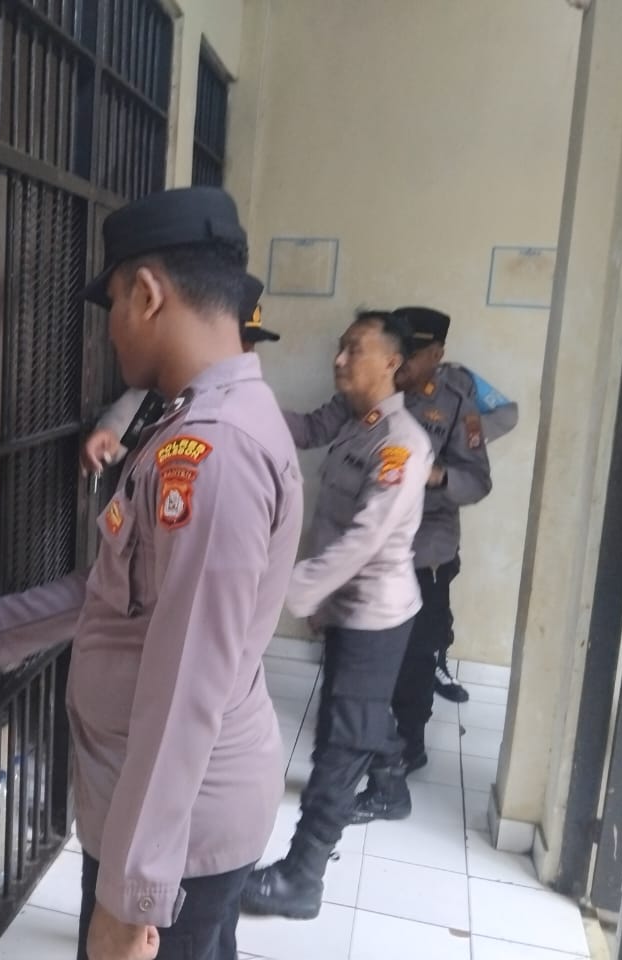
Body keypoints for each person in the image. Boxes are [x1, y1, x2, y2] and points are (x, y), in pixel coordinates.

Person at [0, 186, 303, 960]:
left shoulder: (214, 452)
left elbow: (187, 681)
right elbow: (117, 597)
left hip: (176, 837)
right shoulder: (193, 420)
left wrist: (133, 896)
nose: (110, 330)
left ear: (149, 292)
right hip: (168, 822)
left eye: (114, 304)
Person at [241, 310, 432, 920]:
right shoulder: (357, 420)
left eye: (354, 349)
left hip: (372, 611)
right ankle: (391, 781)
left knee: (339, 742)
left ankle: (303, 876)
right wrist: (245, 393)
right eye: (340, 348)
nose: (339, 359)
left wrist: (289, 591)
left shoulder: (400, 442)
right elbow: (301, 429)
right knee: (355, 717)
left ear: (391, 364)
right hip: (348, 604)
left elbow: (365, 539)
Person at [347, 307, 492, 825]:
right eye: (400, 352)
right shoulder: (379, 392)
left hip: (425, 550)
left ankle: (408, 744)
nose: (403, 362)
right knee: (365, 649)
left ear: (437, 354)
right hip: (374, 543)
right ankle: (366, 737)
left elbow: (477, 481)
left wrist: (434, 475)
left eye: (414, 353)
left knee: (414, 655)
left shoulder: (456, 402)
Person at [78, 273, 276, 477]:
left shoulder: (240, 419)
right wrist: (111, 433)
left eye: (248, 345)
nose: (245, 353)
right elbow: (145, 400)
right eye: (243, 343)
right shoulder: (184, 380)